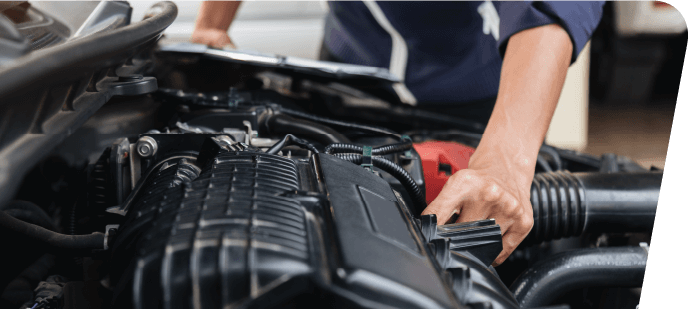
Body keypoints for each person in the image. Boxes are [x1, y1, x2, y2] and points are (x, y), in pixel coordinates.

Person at [190, 0, 604, 267]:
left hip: (467, 86)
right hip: (349, 70)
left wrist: (505, 160)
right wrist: (210, 28)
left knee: (489, 228)